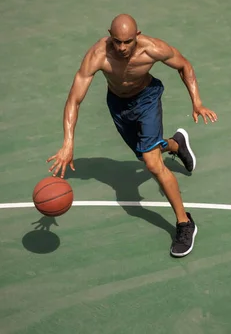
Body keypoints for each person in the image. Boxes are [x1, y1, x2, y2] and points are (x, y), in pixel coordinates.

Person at [47, 14, 217, 257]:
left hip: (146, 99)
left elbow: (184, 65)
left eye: (128, 42)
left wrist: (197, 102)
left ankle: (184, 222)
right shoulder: (98, 55)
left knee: (152, 164)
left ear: (138, 36)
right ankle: (176, 144)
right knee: (145, 156)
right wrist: (68, 143)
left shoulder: (153, 49)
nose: (122, 48)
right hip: (118, 105)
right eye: (117, 41)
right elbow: (74, 99)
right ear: (109, 35)